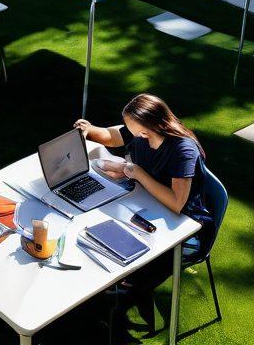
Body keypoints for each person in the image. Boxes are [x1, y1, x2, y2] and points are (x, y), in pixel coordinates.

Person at [75, 95, 212, 339]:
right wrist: (88, 129)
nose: (135, 137)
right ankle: (112, 298)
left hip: (185, 227)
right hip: (147, 207)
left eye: (139, 132)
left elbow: (177, 203)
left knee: (122, 252)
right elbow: (113, 136)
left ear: (154, 125)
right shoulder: (140, 134)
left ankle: (119, 306)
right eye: (132, 131)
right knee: (100, 233)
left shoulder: (183, 149)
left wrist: (135, 172)